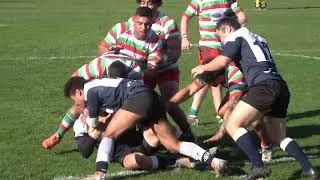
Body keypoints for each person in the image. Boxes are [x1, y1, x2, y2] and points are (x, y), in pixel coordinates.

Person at [191, 17, 318, 179]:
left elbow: (222, 61)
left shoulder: (236, 36)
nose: (221, 41)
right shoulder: (257, 37)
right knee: (279, 137)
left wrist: (204, 67)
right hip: (279, 85)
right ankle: (309, 170)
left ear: (228, 29)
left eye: (220, 36)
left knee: (232, 124)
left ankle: (259, 167)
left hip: (263, 86)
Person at [64, 77, 227, 178]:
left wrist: (93, 124)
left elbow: (93, 122)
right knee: (173, 145)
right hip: (149, 95)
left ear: (79, 92)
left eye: (77, 102)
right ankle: (213, 161)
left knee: (109, 134)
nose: (78, 105)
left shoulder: (89, 90)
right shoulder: (102, 88)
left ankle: (99, 174)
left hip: (138, 97)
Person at [98, 6, 194, 141]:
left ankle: (185, 132)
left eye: (150, 2)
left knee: (168, 102)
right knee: (135, 102)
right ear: (134, 21)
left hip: (164, 68)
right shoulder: (121, 28)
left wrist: (158, 59)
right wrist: (110, 53)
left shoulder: (166, 24)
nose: (143, 27)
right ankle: (136, 138)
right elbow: (102, 48)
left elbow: (174, 53)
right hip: (140, 72)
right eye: (143, 1)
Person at [168, 61, 273, 162]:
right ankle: (241, 141)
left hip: (257, 87)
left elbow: (232, 106)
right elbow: (189, 90)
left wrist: (221, 132)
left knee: (253, 120)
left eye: (212, 82)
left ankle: (266, 146)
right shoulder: (211, 70)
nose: (212, 85)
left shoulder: (235, 75)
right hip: (240, 89)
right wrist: (167, 105)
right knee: (222, 112)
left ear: (220, 76)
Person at [41, 52, 143, 150]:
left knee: (126, 115)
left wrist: (107, 118)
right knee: (81, 104)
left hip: (130, 88)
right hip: (106, 71)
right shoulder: (92, 69)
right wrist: (85, 110)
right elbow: (73, 86)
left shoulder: (136, 75)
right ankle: (58, 135)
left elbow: (129, 104)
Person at [180, 0, 246, 126]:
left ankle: (197, 113)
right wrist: (184, 38)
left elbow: (238, 11)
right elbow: (185, 17)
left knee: (212, 79)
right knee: (212, 78)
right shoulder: (199, 1)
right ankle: (216, 114)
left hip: (226, 44)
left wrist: (241, 15)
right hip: (209, 46)